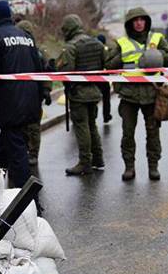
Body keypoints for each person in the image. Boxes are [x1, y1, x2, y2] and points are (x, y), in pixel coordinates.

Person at [0, 0, 43, 191]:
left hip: (9, 107)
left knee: (18, 158)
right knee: (1, 154)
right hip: (28, 104)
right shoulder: (26, 36)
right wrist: (37, 102)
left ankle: (31, 202)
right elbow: (39, 71)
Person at [105, 7, 168, 181]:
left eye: (142, 19)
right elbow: (109, 64)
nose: (139, 23)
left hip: (152, 94)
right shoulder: (122, 42)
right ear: (130, 23)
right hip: (129, 96)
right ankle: (129, 167)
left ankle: (153, 167)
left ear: (146, 21)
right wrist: (121, 58)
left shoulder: (157, 39)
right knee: (127, 134)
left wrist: (156, 55)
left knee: (153, 134)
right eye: (135, 20)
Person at [57, 14, 106, 176]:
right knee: (92, 125)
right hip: (94, 91)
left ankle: (85, 162)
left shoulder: (71, 47)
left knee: (81, 126)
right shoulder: (97, 44)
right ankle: (98, 159)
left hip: (78, 93)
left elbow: (66, 72)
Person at [17, 20, 53, 166]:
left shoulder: (39, 51)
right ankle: (25, 151)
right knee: (22, 126)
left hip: (34, 94)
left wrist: (46, 90)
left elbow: (48, 71)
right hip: (20, 93)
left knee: (33, 127)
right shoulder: (17, 50)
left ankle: (33, 154)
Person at [96, 34, 113, 124]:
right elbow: (107, 63)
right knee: (106, 97)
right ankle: (106, 115)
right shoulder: (104, 49)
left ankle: (92, 115)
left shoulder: (93, 49)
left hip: (92, 77)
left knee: (93, 97)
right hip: (103, 77)